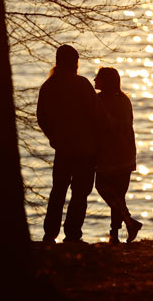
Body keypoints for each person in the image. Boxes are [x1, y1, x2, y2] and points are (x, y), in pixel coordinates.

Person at [37, 44, 100, 243]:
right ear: (75, 62)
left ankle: (50, 233)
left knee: (58, 190)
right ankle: (72, 234)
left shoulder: (48, 86)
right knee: (80, 192)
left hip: (62, 148)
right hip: (85, 148)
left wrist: (53, 137)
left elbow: (41, 117)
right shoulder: (81, 84)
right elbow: (96, 114)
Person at [93, 66, 141, 243]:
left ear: (105, 82)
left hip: (111, 155)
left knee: (105, 189)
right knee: (117, 195)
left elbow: (106, 126)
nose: (94, 80)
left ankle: (125, 226)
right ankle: (117, 232)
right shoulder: (124, 100)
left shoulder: (101, 101)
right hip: (125, 154)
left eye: (97, 77)